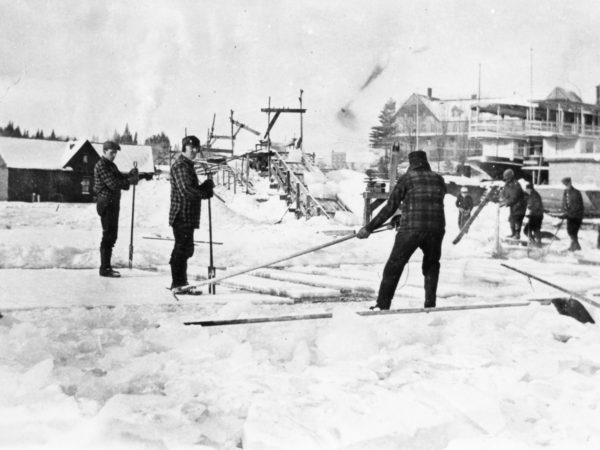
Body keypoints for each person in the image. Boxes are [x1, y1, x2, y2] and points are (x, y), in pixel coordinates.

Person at [357, 150, 446, 310]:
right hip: (436, 229)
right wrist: (400, 218)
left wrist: (369, 228)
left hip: (411, 229)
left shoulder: (407, 178)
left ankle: (382, 305)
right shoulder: (439, 179)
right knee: (432, 265)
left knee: (394, 265)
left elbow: (390, 207)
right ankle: (430, 305)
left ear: (412, 163)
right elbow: (429, 201)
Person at [169, 135, 214, 292]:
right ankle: (178, 284)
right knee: (182, 249)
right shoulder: (181, 166)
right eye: (191, 148)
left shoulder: (187, 165)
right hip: (182, 214)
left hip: (187, 215)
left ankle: (181, 283)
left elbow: (190, 188)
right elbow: (187, 190)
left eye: (196, 148)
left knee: (186, 249)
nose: (194, 151)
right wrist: (204, 191)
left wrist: (204, 187)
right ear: (184, 148)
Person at [94, 141, 139, 277]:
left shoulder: (111, 165)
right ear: (104, 151)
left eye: (115, 153)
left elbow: (119, 177)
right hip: (106, 203)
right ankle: (105, 268)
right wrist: (130, 181)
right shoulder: (101, 165)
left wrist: (129, 174)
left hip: (112, 203)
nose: (114, 155)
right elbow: (113, 184)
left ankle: (107, 267)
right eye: (111, 152)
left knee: (112, 236)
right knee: (108, 236)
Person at [499, 168, 527, 239]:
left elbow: (514, 198)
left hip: (520, 205)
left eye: (507, 178)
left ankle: (517, 235)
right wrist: (501, 197)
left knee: (517, 219)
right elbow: (504, 193)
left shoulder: (516, 185)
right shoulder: (507, 184)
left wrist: (505, 203)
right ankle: (513, 233)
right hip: (513, 206)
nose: (506, 180)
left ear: (511, 177)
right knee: (511, 219)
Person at [561, 177, 584, 251]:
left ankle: (575, 246)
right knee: (570, 231)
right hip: (570, 215)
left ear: (570, 183)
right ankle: (576, 246)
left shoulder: (576, 193)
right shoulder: (566, 192)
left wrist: (568, 213)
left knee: (572, 231)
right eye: (565, 184)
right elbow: (565, 203)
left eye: (567, 184)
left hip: (576, 215)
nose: (566, 186)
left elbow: (576, 205)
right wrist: (565, 211)